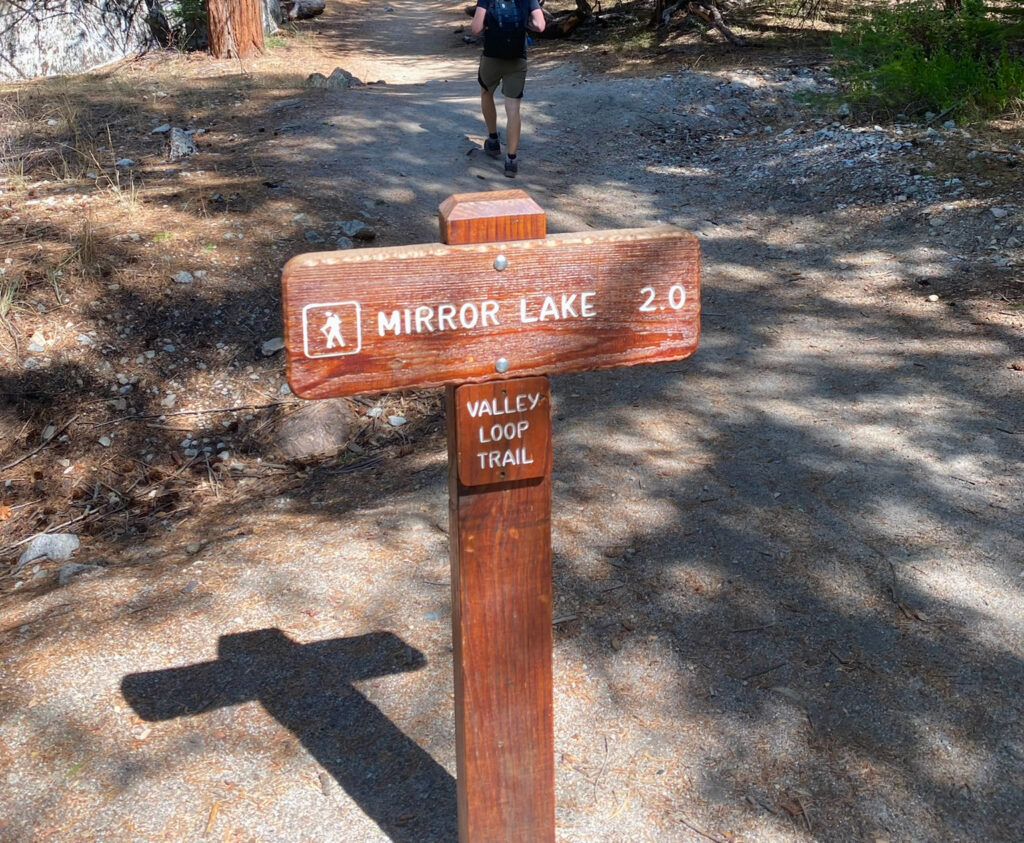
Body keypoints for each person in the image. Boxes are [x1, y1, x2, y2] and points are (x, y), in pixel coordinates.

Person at [471, 0, 545, 178]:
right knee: (513, 109)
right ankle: (511, 160)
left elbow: (475, 29)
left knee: (486, 92)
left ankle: (493, 139)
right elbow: (540, 25)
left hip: (492, 57)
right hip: (517, 58)